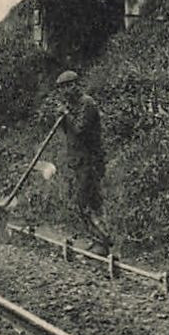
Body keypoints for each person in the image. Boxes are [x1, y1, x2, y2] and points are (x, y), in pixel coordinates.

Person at [48, 70, 112, 250]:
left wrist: (66, 114)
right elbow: (68, 132)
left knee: (85, 201)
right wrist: (61, 116)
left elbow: (80, 130)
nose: (64, 92)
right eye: (61, 89)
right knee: (89, 201)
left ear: (76, 85)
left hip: (90, 162)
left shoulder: (87, 104)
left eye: (67, 87)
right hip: (78, 161)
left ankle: (102, 240)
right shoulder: (73, 106)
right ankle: (99, 239)